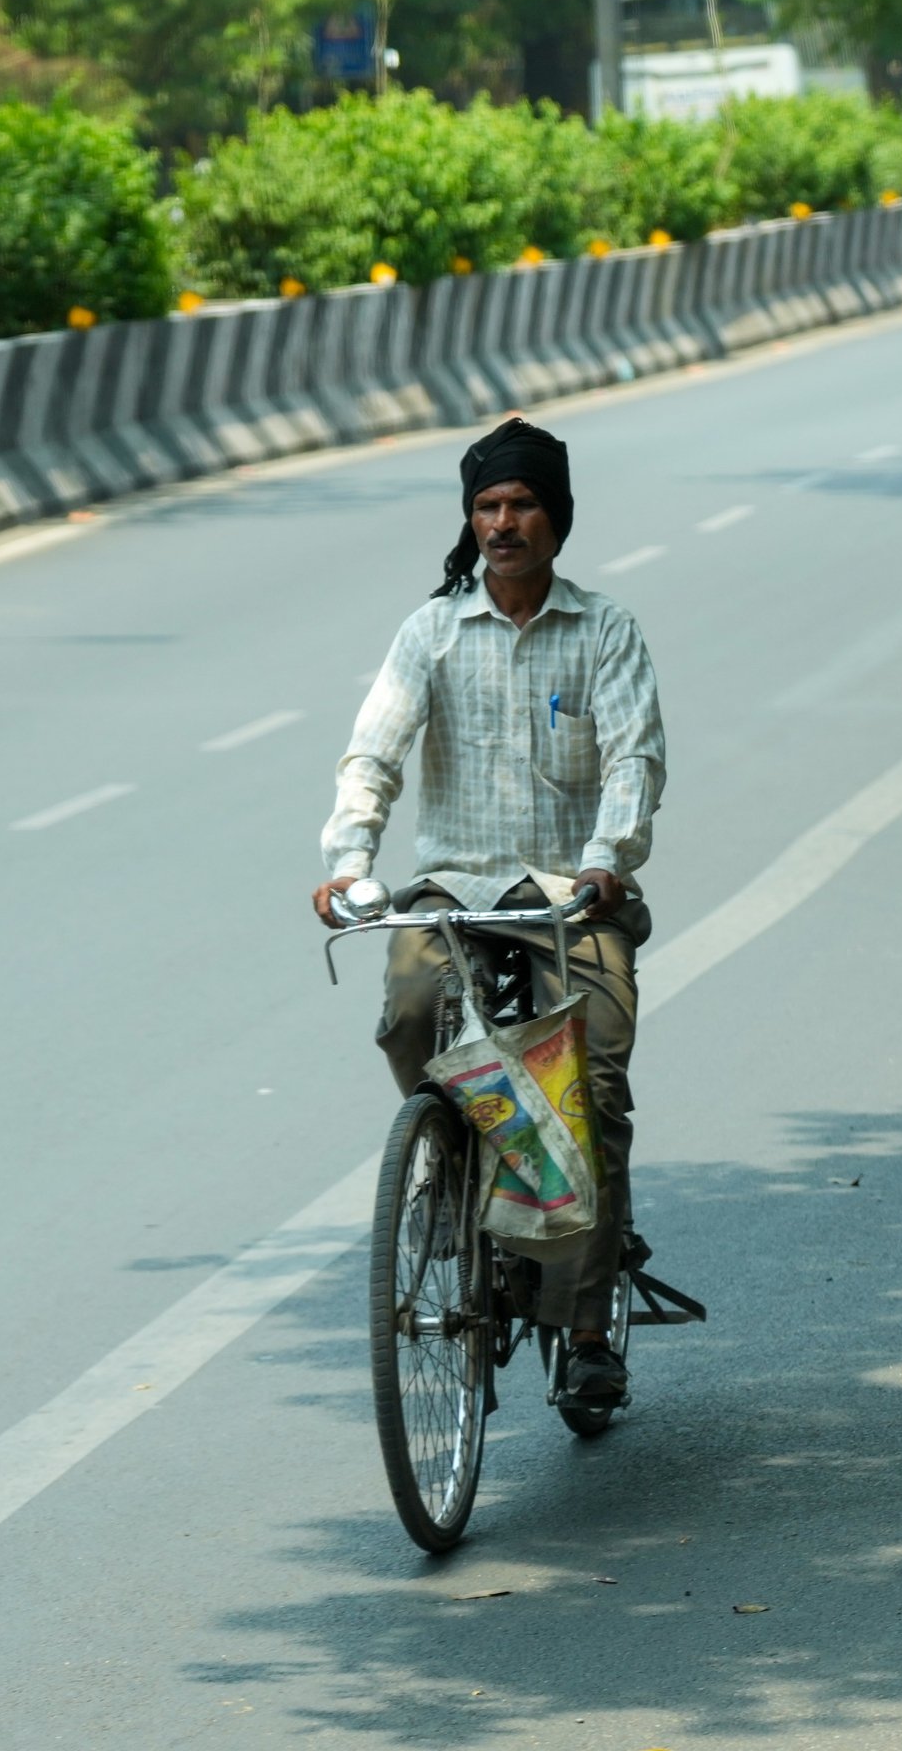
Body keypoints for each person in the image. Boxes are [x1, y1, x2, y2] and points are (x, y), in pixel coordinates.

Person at [313, 415, 668, 1404]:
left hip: (570, 895)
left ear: (555, 521)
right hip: (453, 892)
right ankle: (455, 1168)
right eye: (486, 507)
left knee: (587, 1088)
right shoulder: (429, 631)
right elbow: (374, 750)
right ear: (469, 523)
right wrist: (349, 859)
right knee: (410, 1015)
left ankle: (589, 1325)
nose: (502, 523)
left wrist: (608, 860)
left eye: (519, 506)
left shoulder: (605, 632)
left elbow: (634, 759)